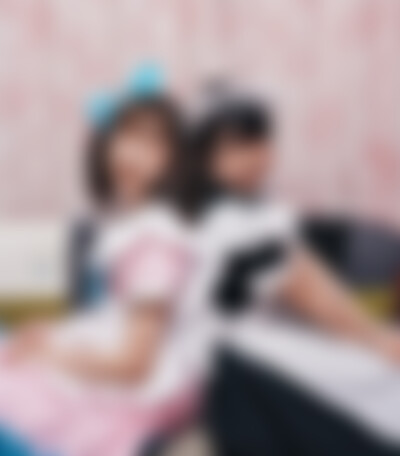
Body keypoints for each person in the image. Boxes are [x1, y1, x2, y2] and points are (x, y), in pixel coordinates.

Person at [176, 83, 400, 455]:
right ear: (202, 158)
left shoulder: (248, 213)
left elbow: (304, 284)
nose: (253, 155)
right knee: (369, 373)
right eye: (233, 146)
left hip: (238, 355)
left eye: (259, 141)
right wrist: (377, 339)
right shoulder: (227, 221)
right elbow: (305, 285)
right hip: (232, 365)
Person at [0, 65, 196, 456]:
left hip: (141, 392)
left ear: (176, 162)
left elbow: (135, 363)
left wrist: (52, 353)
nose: (131, 152)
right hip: (122, 359)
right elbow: (115, 317)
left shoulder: (155, 241)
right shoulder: (130, 229)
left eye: (152, 143)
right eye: (125, 135)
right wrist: (51, 336)